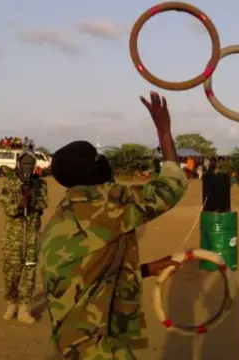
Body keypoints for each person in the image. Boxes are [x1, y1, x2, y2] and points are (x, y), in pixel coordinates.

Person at [39, 91, 188, 359]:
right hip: (99, 347)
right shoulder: (106, 204)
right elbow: (171, 187)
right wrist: (164, 130)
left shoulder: (63, 216)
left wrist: (145, 269)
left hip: (72, 343)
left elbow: (86, 275)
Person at [0, 150, 48, 324]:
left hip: (32, 235)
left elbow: (43, 204)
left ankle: (24, 309)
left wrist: (32, 200)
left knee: (29, 273)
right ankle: (11, 303)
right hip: (14, 237)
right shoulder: (9, 183)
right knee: (11, 273)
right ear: (18, 164)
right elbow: (7, 208)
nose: (28, 167)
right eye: (25, 163)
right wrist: (20, 204)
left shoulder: (40, 184)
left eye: (31, 164)